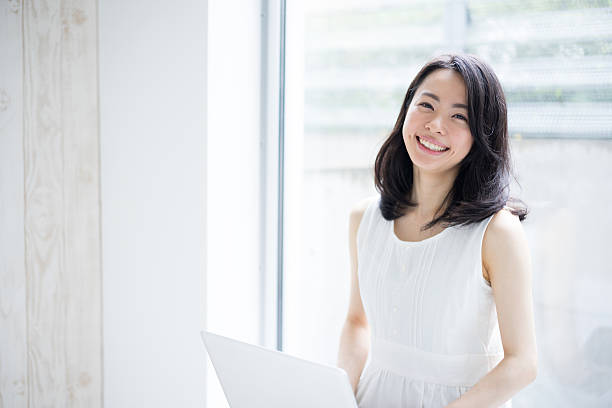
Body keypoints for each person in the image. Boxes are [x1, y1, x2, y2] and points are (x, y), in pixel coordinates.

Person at [336, 54, 538, 408]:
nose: (435, 125)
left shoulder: (496, 233)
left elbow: (523, 363)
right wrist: (338, 397)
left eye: (459, 116)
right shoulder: (363, 219)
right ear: (406, 109)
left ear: (482, 133)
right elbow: (357, 322)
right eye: (426, 105)